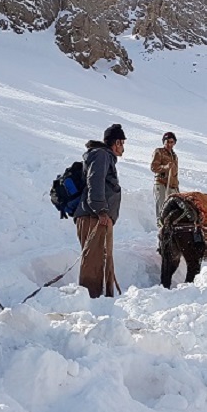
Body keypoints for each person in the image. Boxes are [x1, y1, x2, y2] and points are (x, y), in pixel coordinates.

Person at [73, 123, 124, 298]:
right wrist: (101, 210)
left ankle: (105, 300)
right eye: (122, 143)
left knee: (103, 258)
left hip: (99, 217)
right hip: (94, 216)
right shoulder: (101, 155)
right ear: (116, 142)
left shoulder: (104, 156)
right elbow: (95, 182)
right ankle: (91, 301)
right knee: (93, 261)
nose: (123, 147)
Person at [150, 131, 179, 224]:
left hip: (172, 185)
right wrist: (165, 167)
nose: (169, 144)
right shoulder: (159, 152)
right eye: (167, 142)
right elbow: (153, 167)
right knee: (162, 206)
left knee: (174, 207)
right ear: (164, 142)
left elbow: (175, 174)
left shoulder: (175, 156)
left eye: (171, 142)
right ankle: (161, 225)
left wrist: (176, 187)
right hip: (161, 183)